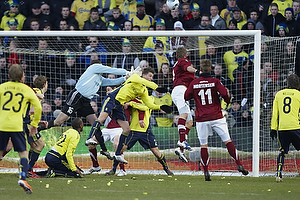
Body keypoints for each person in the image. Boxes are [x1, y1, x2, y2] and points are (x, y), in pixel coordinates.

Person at [48, 61, 132, 164]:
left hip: (85, 101)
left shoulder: (100, 79)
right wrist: (126, 71)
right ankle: (41, 127)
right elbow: (111, 70)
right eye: (101, 66)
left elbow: (112, 82)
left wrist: (125, 78)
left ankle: (104, 150)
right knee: (59, 122)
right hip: (77, 97)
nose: (102, 68)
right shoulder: (93, 68)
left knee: (95, 122)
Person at [85, 67, 172, 164]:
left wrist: (160, 107)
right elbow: (147, 83)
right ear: (143, 75)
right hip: (112, 99)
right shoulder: (135, 78)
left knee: (127, 129)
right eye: (150, 76)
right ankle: (90, 138)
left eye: (152, 77)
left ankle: (117, 154)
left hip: (118, 105)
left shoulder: (143, 90)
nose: (151, 78)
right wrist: (156, 87)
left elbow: (149, 105)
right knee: (101, 118)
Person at [184, 59, 249, 181]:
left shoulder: (194, 83)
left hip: (202, 118)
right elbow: (225, 93)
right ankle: (239, 163)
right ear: (211, 69)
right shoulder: (215, 81)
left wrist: (195, 96)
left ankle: (206, 171)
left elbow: (186, 96)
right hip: (216, 116)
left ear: (201, 69)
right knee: (228, 141)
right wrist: (228, 101)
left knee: (204, 145)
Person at [106, 96, 174, 176]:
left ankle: (166, 168)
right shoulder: (131, 99)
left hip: (146, 131)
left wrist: (131, 103)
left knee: (156, 152)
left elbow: (144, 107)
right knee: (120, 148)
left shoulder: (150, 99)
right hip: (133, 130)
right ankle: (114, 169)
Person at [0, 64, 42, 194]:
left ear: (8, 76)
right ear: (22, 76)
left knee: (1, 151)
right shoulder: (26, 89)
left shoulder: (2, 87)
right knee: (23, 153)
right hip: (17, 125)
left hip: (2, 124)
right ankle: (23, 177)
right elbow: (39, 108)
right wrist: (34, 125)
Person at [270, 74, 300, 182]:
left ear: (287, 83)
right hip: (296, 127)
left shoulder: (279, 94)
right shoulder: (298, 94)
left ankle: (278, 174)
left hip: (282, 128)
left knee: (282, 151)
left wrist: (273, 128)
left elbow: (275, 113)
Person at [171, 47, 196, 163]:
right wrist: (196, 70)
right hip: (180, 90)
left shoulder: (177, 63)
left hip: (181, 91)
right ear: (185, 54)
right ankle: (182, 140)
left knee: (190, 122)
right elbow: (188, 68)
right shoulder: (183, 60)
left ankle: (180, 149)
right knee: (184, 114)